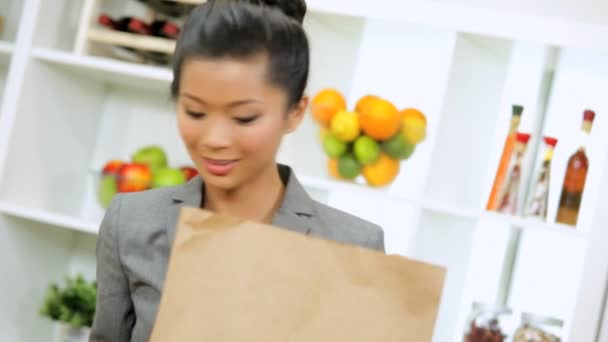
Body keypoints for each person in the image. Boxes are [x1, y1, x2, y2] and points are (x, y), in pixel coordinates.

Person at [90, 0, 384, 340]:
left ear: (295, 111)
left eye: (245, 118)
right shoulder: (130, 223)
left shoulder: (354, 246)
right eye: (195, 112)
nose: (215, 140)